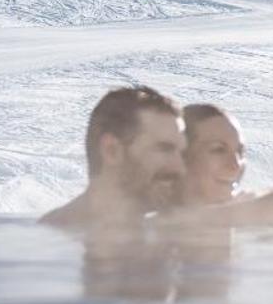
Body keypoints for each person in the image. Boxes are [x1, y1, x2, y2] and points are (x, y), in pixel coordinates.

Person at [42, 86, 187, 229]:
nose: (180, 169)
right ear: (111, 150)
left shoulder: (161, 238)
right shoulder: (47, 243)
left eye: (181, 153)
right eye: (164, 149)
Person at [168, 102, 273, 226]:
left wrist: (206, 217)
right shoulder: (151, 218)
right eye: (219, 150)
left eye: (240, 152)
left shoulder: (237, 205)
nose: (235, 165)